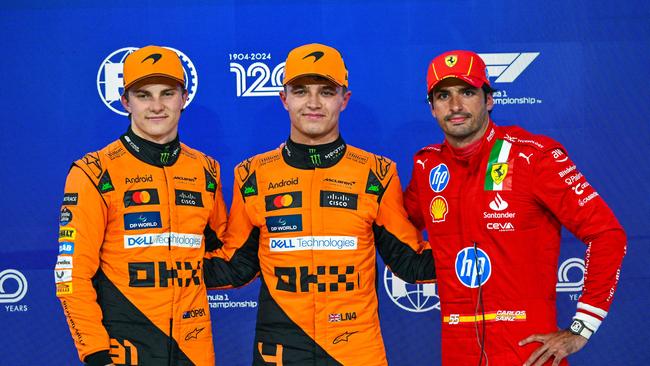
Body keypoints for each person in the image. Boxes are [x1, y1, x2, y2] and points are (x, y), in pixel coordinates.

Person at [203, 43, 435, 365]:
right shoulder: (251, 174)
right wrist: (147, 261)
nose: (313, 103)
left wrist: (492, 249)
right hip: (279, 351)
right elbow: (235, 266)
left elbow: (410, 261)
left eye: (326, 91)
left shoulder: (377, 173)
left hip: (356, 351)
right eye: (300, 91)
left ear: (344, 99)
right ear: (284, 99)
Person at [403, 50, 627, 366]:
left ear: (489, 99)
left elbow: (607, 233)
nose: (455, 106)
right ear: (432, 107)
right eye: (443, 96)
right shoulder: (427, 166)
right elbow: (395, 225)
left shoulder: (534, 157)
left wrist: (582, 327)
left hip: (526, 352)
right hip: (457, 352)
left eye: (467, 92)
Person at [55, 45, 227, 366]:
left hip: (195, 346)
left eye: (167, 93)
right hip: (125, 345)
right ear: (125, 102)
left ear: (183, 98)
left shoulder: (206, 170)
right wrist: (95, 354)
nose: (157, 106)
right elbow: (72, 275)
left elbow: (226, 253)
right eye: (144, 95)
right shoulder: (93, 172)